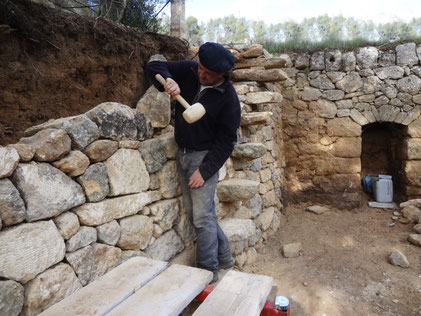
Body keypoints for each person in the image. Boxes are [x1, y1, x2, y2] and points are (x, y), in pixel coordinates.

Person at [146, 42, 241, 283]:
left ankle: (208, 273)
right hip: (182, 153)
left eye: (208, 74)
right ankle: (226, 258)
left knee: (201, 217)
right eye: (201, 68)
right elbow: (154, 65)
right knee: (199, 215)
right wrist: (168, 79)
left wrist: (205, 171)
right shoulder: (191, 70)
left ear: (222, 75)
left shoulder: (228, 99)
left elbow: (226, 142)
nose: (202, 75)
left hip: (204, 156)